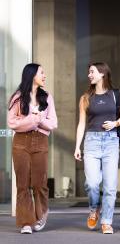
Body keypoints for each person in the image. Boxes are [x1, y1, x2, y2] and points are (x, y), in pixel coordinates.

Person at [74, 62, 120, 234]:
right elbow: (81, 124)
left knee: (110, 186)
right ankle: (94, 209)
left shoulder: (116, 94)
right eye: (89, 72)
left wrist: (115, 123)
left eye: (92, 72)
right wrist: (77, 147)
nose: (89, 75)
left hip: (111, 141)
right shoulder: (85, 98)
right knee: (92, 183)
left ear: (102, 73)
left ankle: (106, 221)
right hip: (92, 141)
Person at [7, 63, 58, 234]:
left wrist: (40, 121)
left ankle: (42, 213)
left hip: (40, 141)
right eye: (41, 73)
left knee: (39, 182)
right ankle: (26, 222)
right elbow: (12, 122)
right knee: (23, 184)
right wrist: (32, 120)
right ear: (32, 75)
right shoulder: (18, 97)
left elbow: (53, 123)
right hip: (21, 142)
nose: (44, 76)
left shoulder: (47, 97)